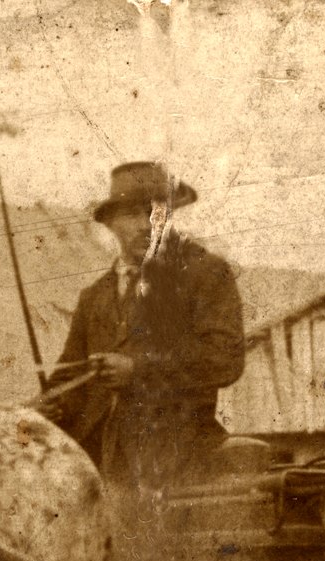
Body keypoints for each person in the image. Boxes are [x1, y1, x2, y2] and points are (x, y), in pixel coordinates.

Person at [45, 161, 245, 498]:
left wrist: (138, 370)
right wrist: (52, 405)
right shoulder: (94, 297)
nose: (146, 225)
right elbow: (70, 375)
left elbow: (225, 360)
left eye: (156, 212)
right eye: (131, 215)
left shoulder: (204, 274)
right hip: (96, 465)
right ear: (110, 223)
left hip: (178, 461)